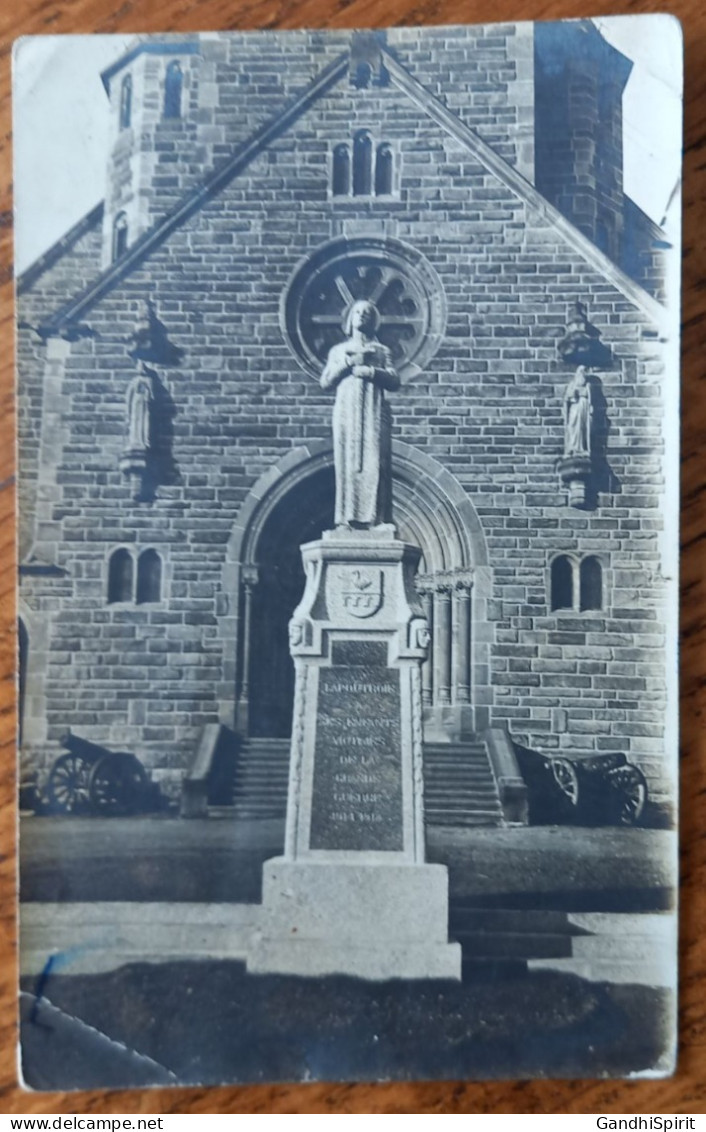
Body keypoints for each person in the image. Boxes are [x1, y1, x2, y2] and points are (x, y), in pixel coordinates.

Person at [320, 300, 399, 528]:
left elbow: (394, 380)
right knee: (347, 462)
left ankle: (378, 519)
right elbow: (325, 381)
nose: (362, 315)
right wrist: (347, 363)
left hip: (374, 411)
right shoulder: (338, 351)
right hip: (347, 411)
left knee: (377, 461)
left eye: (367, 312)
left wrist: (372, 371)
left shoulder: (382, 351)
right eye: (358, 312)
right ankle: (345, 519)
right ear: (350, 318)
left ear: (373, 320)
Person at [563, 365, 593, 457]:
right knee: (572, 426)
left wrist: (591, 407)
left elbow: (590, 399)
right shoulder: (572, 384)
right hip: (574, 407)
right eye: (580, 372)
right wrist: (573, 394)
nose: (582, 374)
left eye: (584, 372)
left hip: (584, 408)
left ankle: (581, 448)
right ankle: (572, 447)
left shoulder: (588, 385)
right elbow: (567, 398)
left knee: (582, 427)